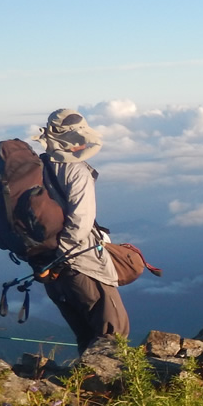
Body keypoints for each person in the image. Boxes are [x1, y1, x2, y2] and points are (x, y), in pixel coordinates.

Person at [36, 108, 130, 353]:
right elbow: (81, 221)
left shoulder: (38, 168)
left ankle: (82, 386)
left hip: (47, 269)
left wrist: (51, 263)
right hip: (80, 264)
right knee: (112, 334)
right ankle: (106, 389)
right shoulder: (75, 171)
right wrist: (61, 258)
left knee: (85, 334)